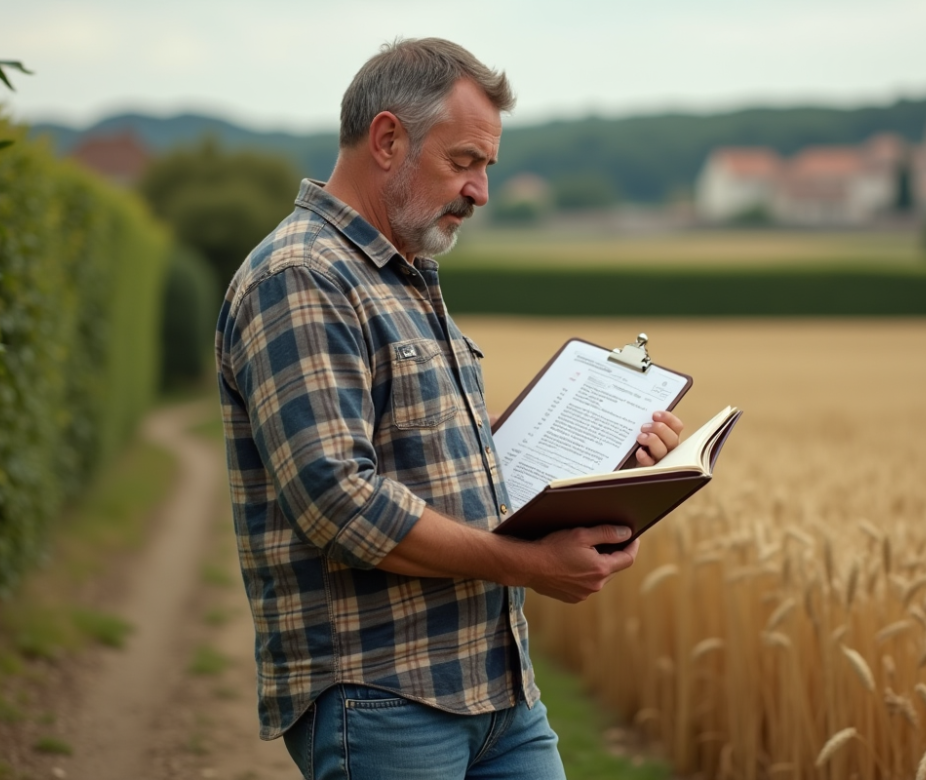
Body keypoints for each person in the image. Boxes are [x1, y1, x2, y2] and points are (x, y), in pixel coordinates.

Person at [215, 38, 683, 779]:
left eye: (486, 168)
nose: (480, 192)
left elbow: (441, 465)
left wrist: (606, 461)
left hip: (497, 687)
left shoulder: (407, 270)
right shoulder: (301, 275)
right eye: (465, 162)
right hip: (381, 697)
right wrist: (528, 564)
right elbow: (340, 502)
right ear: (388, 138)